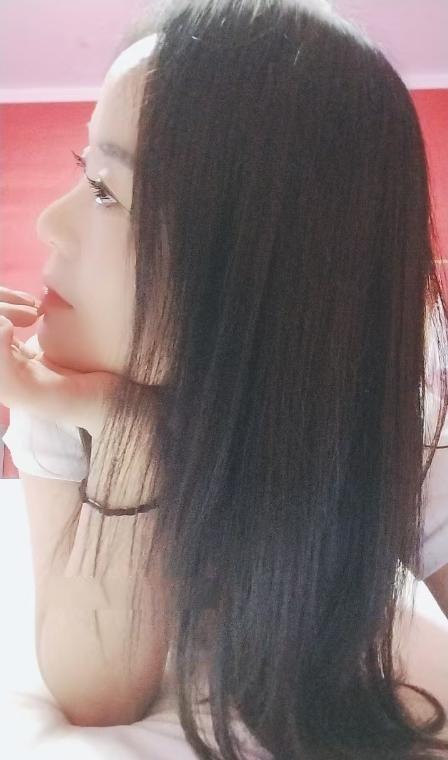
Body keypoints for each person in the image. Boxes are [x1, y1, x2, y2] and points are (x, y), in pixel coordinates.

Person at [1, 0, 448, 757]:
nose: (50, 223)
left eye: (107, 191)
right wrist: (127, 429)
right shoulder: (66, 391)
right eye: (85, 171)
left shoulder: (386, 413)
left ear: (254, 267)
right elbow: (96, 693)